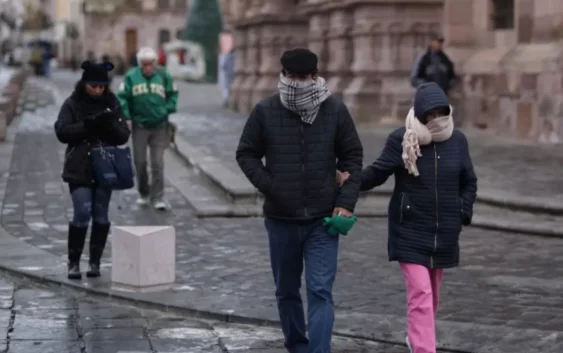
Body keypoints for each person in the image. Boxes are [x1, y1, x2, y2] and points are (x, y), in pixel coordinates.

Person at [236, 48, 363, 353]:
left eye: (305, 77)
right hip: (281, 219)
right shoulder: (265, 110)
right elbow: (246, 153)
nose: (300, 83)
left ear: (315, 76)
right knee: (287, 291)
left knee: (320, 290)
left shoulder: (335, 110)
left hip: (323, 220)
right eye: (294, 77)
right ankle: (297, 346)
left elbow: (352, 158)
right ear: (284, 76)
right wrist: (271, 185)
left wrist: (346, 201)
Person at [340, 82, 477, 353]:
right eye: (431, 113)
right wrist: (348, 181)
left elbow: (469, 181)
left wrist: (462, 211)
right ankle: (424, 348)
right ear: (421, 112)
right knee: (421, 295)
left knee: (432, 295)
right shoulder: (402, 139)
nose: (436, 119)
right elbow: (377, 173)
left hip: (444, 233)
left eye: (441, 112)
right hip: (410, 231)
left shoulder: (458, 140)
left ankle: (416, 337)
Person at [54, 61, 130, 280]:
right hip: (79, 166)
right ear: (85, 83)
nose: (98, 90)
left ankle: (95, 262)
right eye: (93, 86)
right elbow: (61, 131)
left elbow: (123, 134)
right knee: (82, 212)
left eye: (102, 86)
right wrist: (87, 125)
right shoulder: (72, 103)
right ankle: (74, 263)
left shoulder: (112, 102)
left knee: (101, 215)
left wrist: (108, 125)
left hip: (105, 167)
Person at [117, 47, 179, 210]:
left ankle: (158, 197)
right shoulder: (131, 77)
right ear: (140, 65)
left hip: (160, 125)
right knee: (140, 162)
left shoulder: (163, 75)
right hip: (140, 126)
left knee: (157, 162)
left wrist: (167, 109)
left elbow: (173, 93)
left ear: (155, 63)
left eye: (150, 64)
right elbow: (122, 97)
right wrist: (127, 116)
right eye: (144, 65)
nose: (148, 68)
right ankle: (144, 193)